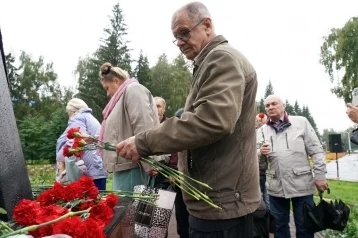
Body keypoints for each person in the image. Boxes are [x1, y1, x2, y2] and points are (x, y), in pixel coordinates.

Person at [115, 2, 261, 237]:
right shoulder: (208, 61)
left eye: (184, 32)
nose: (180, 42)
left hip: (221, 200)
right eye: (176, 37)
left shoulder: (221, 58)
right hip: (215, 196)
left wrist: (143, 143)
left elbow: (212, 120)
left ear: (207, 25)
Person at [257, 95, 328, 238]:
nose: (270, 107)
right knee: (279, 227)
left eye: (274, 104)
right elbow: (260, 166)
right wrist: (260, 153)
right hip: (276, 187)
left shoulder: (301, 122)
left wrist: (320, 177)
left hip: (301, 185)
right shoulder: (262, 131)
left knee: (304, 227)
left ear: (283, 106)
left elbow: (316, 151)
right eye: (267, 105)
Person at [98, 62, 158, 191]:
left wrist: (148, 163)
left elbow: (143, 125)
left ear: (116, 81)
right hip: (126, 164)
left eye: (107, 88)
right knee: (123, 209)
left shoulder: (133, 90)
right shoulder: (120, 99)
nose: (107, 94)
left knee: (128, 209)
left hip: (135, 165)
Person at [56, 98, 108, 190]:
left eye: (68, 113)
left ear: (73, 111)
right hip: (98, 169)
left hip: (86, 172)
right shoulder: (92, 119)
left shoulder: (77, 117)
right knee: (100, 200)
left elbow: (75, 141)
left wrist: (62, 165)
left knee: (88, 202)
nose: (69, 116)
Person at [256, 113, 269, 209]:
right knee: (260, 197)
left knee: (267, 197)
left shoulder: (268, 132)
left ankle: (269, 220)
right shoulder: (253, 133)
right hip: (257, 171)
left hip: (266, 171)